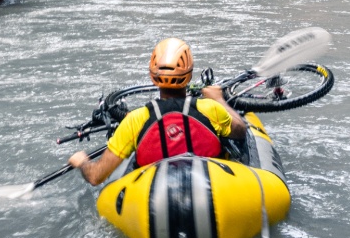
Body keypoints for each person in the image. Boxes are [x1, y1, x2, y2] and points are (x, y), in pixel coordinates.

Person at [69, 38, 248, 186]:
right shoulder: (211, 109)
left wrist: (82, 162)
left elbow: (95, 177)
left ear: (152, 76)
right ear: (189, 75)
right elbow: (240, 131)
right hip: (213, 187)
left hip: (154, 197)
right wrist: (219, 99)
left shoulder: (135, 120)